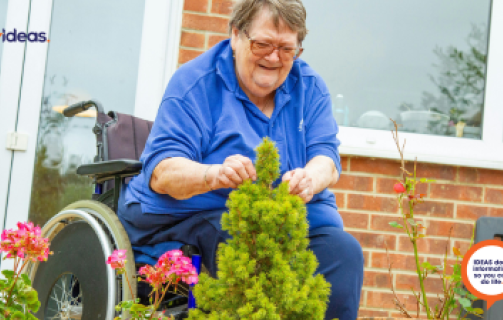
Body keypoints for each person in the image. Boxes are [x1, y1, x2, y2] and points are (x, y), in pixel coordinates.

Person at [117, 0, 364, 318]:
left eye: (287, 49)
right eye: (263, 44)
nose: (274, 57)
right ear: (236, 35)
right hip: (200, 216)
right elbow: (164, 172)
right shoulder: (195, 84)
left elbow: (326, 159)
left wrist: (309, 178)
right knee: (249, 252)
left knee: (344, 253)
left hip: (288, 224)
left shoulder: (310, 87)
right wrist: (213, 175)